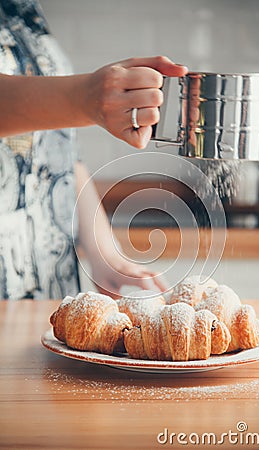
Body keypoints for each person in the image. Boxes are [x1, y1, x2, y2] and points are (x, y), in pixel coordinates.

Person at [0, 0, 188, 300]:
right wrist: (81, 99)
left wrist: (106, 257)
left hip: (49, 290)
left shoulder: (21, 9)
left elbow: (59, 152)